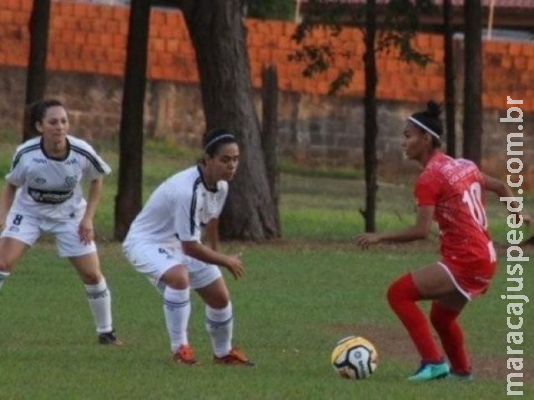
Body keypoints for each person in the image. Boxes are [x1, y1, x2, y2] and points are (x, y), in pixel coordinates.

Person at [355, 101, 530, 382]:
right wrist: (517, 212)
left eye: (408, 135)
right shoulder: (462, 165)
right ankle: (461, 372)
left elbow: (420, 231)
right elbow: (499, 186)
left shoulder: (430, 178)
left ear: (426, 138)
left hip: (467, 259)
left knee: (398, 294)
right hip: (486, 257)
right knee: (441, 318)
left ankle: (433, 363)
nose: (403, 142)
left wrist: (379, 236)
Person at [122, 127, 254, 366]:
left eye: (235, 159)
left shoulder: (222, 185)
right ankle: (180, 350)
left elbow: (212, 219)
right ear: (208, 160)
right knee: (179, 277)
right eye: (225, 159)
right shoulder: (187, 191)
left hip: (179, 243)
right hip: (146, 242)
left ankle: (223, 353)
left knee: (220, 297)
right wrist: (225, 261)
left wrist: (216, 253)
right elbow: (191, 247)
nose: (232, 165)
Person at [0, 99, 121, 345]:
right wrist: (3, 215)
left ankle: (106, 333)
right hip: (29, 213)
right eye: (53, 122)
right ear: (39, 126)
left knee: (92, 275)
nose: (60, 127)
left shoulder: (81, 151)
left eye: (64, 121)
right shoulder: (26, 153)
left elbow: (97, 179)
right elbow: (12, 184)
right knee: (2, 262)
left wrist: (88, 219)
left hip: (70, 216)